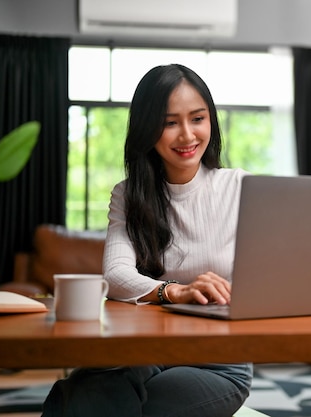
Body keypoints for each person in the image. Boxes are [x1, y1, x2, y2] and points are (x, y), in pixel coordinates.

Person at [41, 64, 253, 417]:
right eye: (170, 123)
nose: (187, 135)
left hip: (220, 360)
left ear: (210, 121)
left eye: (197, 118)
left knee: (84, 398)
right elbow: (117, 275)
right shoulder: (128, 195)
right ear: (147, 129)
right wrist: (173, 291)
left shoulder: (240, 188)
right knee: (93, 390)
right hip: (144, 351)